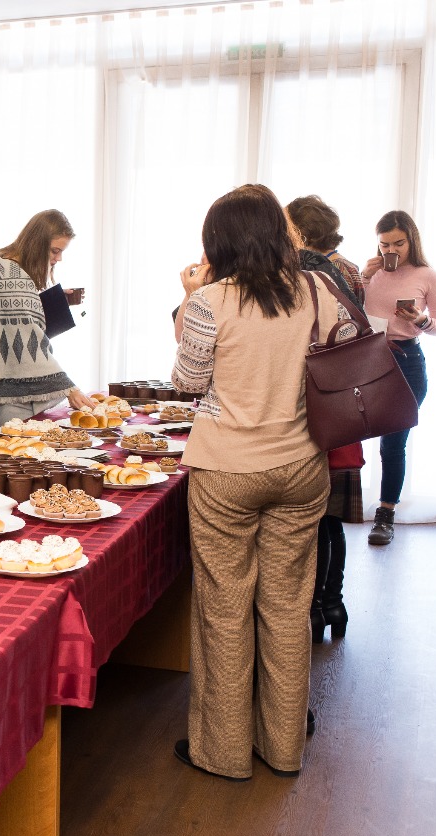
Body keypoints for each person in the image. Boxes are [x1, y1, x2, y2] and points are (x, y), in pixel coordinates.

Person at [171, 184, 355, 780]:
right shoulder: (315, 289)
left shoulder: (212, 300)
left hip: (227, 469)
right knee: (287, 607)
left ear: (220, 241)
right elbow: (345, 352)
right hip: (301, 465)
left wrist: (190, 298)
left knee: (224, 611)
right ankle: (283, 747)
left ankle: (223, 753)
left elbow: (186, 382)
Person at [284, 195, 365, 642]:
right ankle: (334, 603)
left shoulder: (301, 273)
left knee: (312, 523)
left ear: (298, 231)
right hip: (344, 402)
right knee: (331, 520)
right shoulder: (348, 269)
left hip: (315, 405)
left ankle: (313, 609)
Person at [359, 210, 436, 545]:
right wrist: (364, 278)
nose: (391, 250)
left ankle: (385, 515)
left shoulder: (428, 275)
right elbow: (350, 311)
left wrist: (420, 320)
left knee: (393, 442)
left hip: (407, 360)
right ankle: (338, 507)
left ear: (412, 240)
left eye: (398, 243)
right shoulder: (371, 272)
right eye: (385, 244)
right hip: (369, 358)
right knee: (347, 432)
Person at [0, 210, 95, 439]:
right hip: (6, 402)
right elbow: (28, 340)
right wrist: (69, 387)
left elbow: (15, 323)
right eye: (55, 251)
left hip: (5, 393)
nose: (58, 258)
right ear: (38, 243)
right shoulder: (12, 275)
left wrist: (57, 301)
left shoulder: (10, 267)